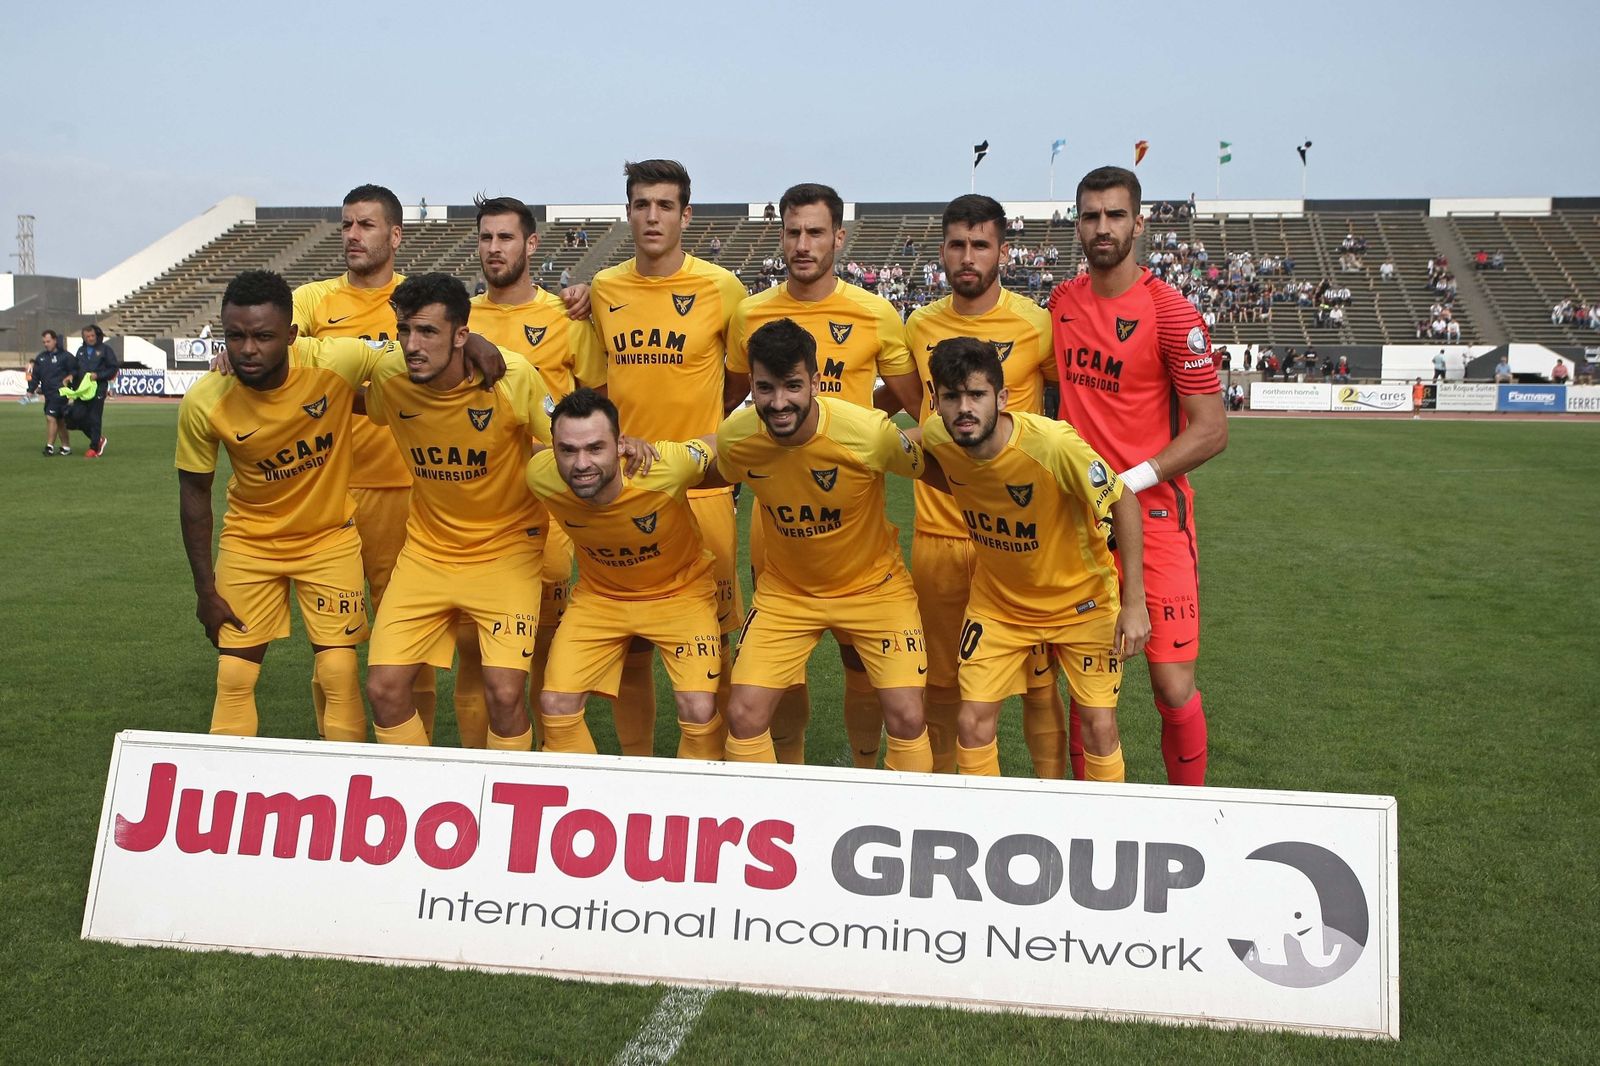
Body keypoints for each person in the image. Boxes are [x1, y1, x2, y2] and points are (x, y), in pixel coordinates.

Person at [725, 182, 923, 767]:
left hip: (852, 515)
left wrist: (850, 429)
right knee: (780, 669)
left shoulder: (874, 312)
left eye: (815, 232)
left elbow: (914, 402)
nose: (802, 244)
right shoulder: (751, 313)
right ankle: (789, 776)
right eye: (792, 232)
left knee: (861, 661)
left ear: (839, 237)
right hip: (778, 519)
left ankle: (863, 769)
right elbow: (732, 401)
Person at [1050, 165, 1227, 786]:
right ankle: (1087, 813)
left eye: (1115, 215)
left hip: (1155, 520)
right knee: (1088, 684)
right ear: (1078, 225)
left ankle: (1190, 812)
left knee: (1172, 686)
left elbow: (1211, 430)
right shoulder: (1061, 303)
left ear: (1140, 223)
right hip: (1080, 523)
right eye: (1091, 216)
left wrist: (1130, 478)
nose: (1103, 227)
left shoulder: (1173, 314)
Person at [176, 271, 394, 742]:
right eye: (236, 336)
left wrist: (475, 342)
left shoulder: (334, 360)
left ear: (292, 336)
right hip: (250, 543)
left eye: (263, 336)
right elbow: (193, 495)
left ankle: (345, 779)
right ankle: (227, 782)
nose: (248, 349)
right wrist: (205, 589)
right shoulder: (204, 400)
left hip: (329, 539)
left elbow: (412, 355)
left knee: (338, 671)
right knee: (234, 674)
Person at [918, 338, 1148, 778]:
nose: (964, 409)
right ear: (937, 401)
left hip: (1082, 604)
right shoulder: (939, 437)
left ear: (1002, 398)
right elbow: (916, 456)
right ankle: (985, 817)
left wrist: (1134, 602)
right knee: (971, 722)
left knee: (1099, 728)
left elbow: (1123, 499)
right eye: (951, 397)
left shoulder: (1053, 445)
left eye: (977, 395)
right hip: (999, 607)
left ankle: (1102, 816)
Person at [902, 194, 1066, 777]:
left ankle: (1052, 797)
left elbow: (1064, 414)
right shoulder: (919, 325)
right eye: (957, 245)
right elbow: (921, 412)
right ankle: (949, 801)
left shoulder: (1036, 325)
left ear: (1003, 251)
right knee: (942, 681)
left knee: (1039, 682)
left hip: (1019, 538)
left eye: (980, 245)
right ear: (942, 250)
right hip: (939, 533)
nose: (967, 257)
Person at [589, 159, 749, 757]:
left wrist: (696, 441)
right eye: (641, 205)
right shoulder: (604, 289)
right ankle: (638, 765)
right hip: (625, 492)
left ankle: (719, 763)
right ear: (628, 212)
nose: (652, 216)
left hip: (702, 491)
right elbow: (598, 385)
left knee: (716, 637)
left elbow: (738, 380)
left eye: (664, 205)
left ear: (686, 214)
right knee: (631, 643)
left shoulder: (722, 288)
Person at [361, 273, 549, 750]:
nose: (412, 345)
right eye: (404, 330)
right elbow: (329, 369)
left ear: (461, 335)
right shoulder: (389, 377)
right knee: (383, 689)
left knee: (505, 694)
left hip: (507, 551)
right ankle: (417, 791)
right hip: (427, 553)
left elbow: (567, 441)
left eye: (428, 331)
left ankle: (507, 792)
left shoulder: (513, 376)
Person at [464, 194, 604, 747]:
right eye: (485, 237)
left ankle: (549, 763)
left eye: (505, 237)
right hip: (472, 508)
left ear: (531, 244)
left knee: (547, 647)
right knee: (474, 657)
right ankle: (478, 770)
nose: (494, 248)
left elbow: (593, 402)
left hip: (546, 509)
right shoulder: (460, 318)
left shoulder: (564, 317)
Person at [527, 388, 726, 759]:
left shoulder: (663, 466)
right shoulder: (541, 475)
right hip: (600, 599)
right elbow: (517, 451)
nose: (581, 463)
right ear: (553, 449)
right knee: (554, 705)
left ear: (620, 444)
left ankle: (694, 795)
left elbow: (717, 443)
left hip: (680, 595)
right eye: (567, 450)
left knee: (699, 710)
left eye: (595, 448)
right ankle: (588, 794)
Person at [73, 324, 118, 457]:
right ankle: (98, 439)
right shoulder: (80, 351)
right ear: (83, 338)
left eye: (92, 335)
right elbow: (76, 369)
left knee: (94, 417)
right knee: (75, 416)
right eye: (87, 336)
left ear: (96, 335)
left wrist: (98, 375)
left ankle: (94, 447)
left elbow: (113, 368)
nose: (91, 338)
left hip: (98, 388)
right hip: (83, 390)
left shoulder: (105, 350)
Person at [30, 329, 76, 454]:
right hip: (48, 394)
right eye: (44, 342)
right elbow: (35, 376)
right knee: (60, 421)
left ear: (55, 340)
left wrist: (71, 376)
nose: (46, 344)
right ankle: (66, 447)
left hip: (61, 393)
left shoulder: (65, 356)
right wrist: (30, 390)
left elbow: (75, 369)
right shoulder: (41, 357)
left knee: (50, 417)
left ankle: (49, 446)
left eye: (48, 341)